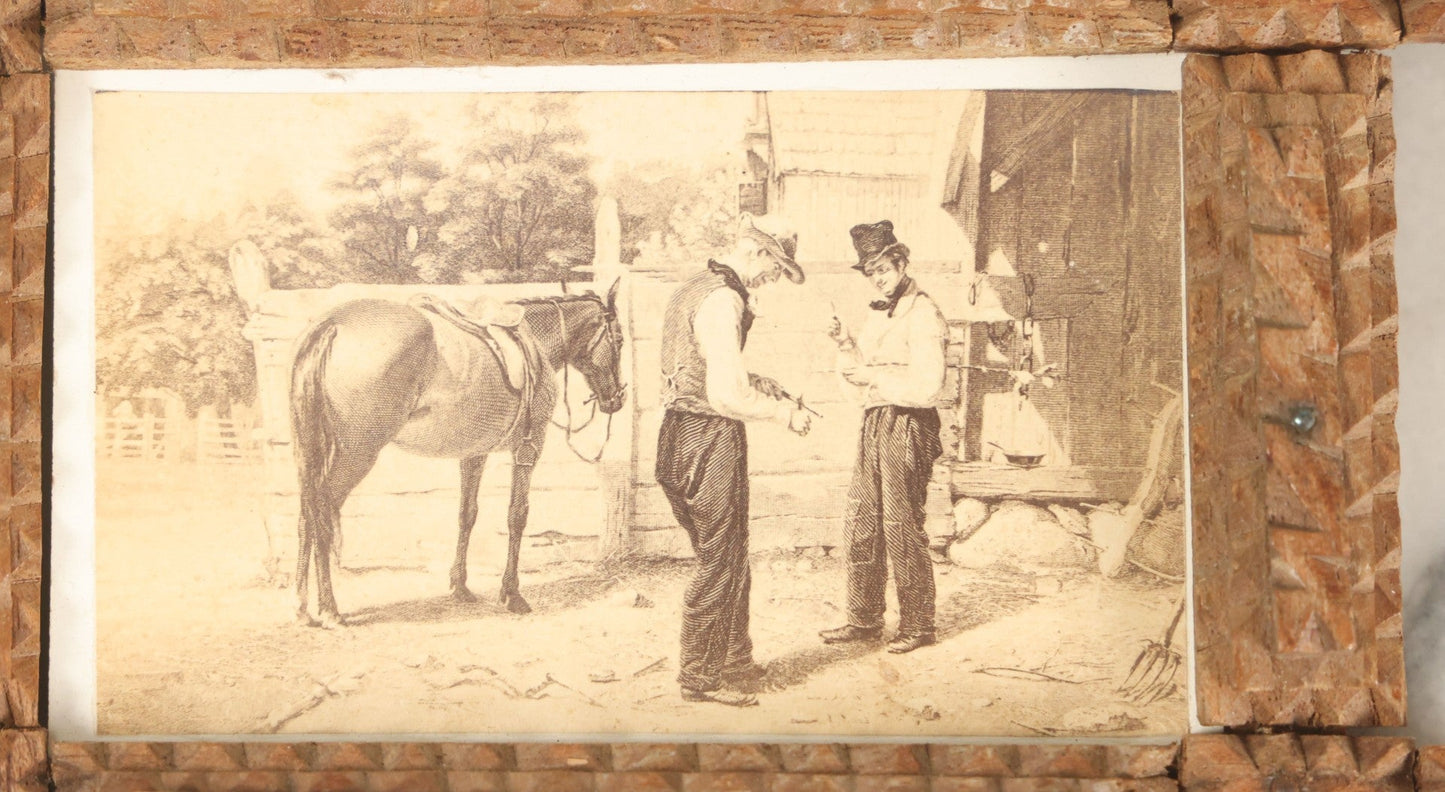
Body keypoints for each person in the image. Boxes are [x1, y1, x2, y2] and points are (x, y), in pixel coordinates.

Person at [656, 213, 813, 707]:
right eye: (774, 266)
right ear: (756, 252)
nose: (773, 278)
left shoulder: (693, 287)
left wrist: (756, 380)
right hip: (710, 436)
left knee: (725, 552)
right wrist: (784, 414)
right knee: (721, 558)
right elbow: (725, 396)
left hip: (676, 435)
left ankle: (735, 657)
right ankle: (702, 677)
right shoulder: (724, 299)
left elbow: (700, 370)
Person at [820, 220, 948, 655]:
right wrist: (844, 346)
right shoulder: (877, 311)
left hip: (910, 425)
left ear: (901, 261)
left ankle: (918, 624)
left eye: (882, 266)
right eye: (870, 269)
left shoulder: (923, 311)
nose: (877, 276)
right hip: (876, 422)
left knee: (902, 524)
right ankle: (864, 619)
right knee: (862, 520)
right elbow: (860, 382)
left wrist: (873, 376)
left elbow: (929, 385)